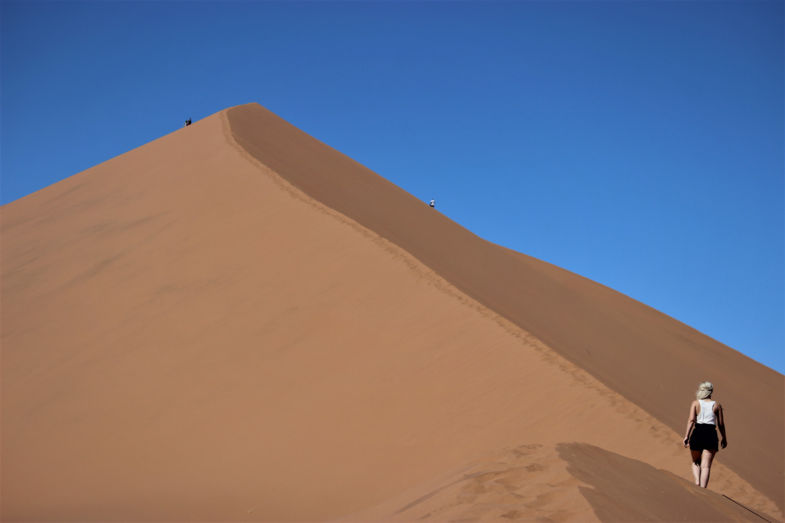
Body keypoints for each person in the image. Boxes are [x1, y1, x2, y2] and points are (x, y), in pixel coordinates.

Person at [682, 381, 727, 488]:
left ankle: (697, 481)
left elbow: (691, 420)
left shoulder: (695, 403)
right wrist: (724, 438)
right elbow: (721, 424)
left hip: (698, 433)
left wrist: (686, 436)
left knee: (695, 461)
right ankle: (703, 489)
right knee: (706, 466)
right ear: (711, 392)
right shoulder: (717, 405)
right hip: (711, 434)